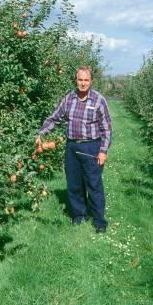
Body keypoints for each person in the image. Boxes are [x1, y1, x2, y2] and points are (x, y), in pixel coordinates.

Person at [36, 65, 112, 233]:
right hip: (72, 146)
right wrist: (41, 133)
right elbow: (54, 118)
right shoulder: (68, 99)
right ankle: (79, 215)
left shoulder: (99, 100)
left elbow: (106, 128)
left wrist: (103, 151)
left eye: (86, 80)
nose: (83, 83)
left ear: (91, 81)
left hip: (91, 146)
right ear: (75, 80)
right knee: (74, 184)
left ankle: (99, 221)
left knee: (93, 184)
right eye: (80, 79)